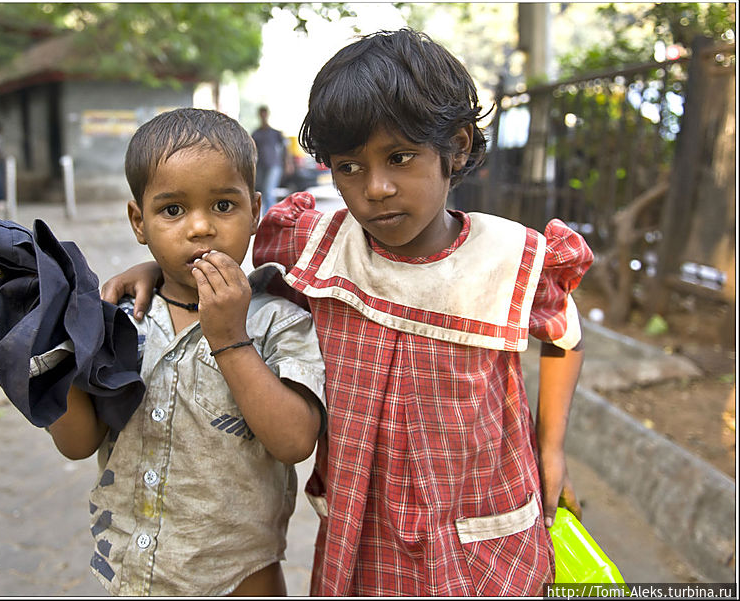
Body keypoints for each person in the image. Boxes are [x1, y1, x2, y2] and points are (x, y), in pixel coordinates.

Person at [100, 29, 593, 596]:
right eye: (349, 167)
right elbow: (225, 281)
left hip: (481, 524)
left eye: (400, 158)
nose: (376, 188)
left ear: (455, 147)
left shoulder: (512, 259)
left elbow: (565, 337)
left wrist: (550, 447)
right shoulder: (313, 248)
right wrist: (158, 274)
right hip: (366, 527)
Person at [47, 108, 326, 596]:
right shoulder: (120, 320)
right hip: (132, 574)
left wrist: (229, 340)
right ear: (139, 221)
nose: (200, 228)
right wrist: (51, 357)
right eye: (172, 210)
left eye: (223, 205)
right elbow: (77, 443)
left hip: (242, 578)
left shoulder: (279, 321)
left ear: (255, 210)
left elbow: (295, 442)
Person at [251, 105, 286, 215]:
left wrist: (288, 163)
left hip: (274, 165)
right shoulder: (256, 133)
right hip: (260, 166)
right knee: (261, 192)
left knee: (268, 191)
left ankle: (271, 217)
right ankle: (266, 215)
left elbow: (285, 148)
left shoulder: (275, 133)